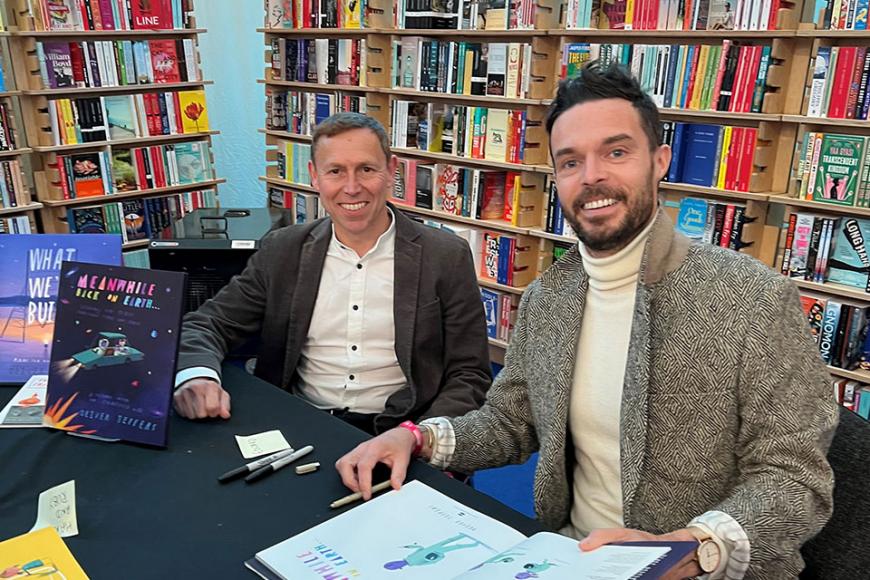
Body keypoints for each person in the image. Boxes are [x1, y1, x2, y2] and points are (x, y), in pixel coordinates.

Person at [336, 62, 838, 578]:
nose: (592, 175)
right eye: (571, 161)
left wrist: (692, 548)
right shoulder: (548, 298)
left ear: (659, 161)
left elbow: (793, 477)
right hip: (565, 557)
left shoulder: (752, 299)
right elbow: (512, 421)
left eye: (616, 152)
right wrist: (418, 437)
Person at [173, 112, 492, 434]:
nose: (351, 188)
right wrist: (197, 375)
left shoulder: (445, 256)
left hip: (402, 428)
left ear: (391, 170)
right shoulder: (283, 250)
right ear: (315, 176)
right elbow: (207, 323)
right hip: (297, 421)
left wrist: (422, 437)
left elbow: (470, 373)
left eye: (366, 169)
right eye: (336, 171)